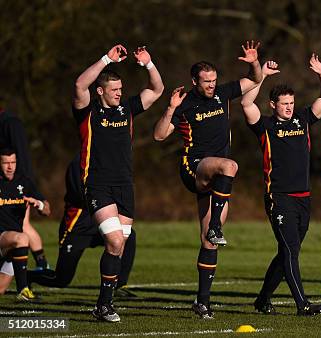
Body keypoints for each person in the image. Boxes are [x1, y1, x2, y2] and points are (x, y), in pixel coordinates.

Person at [154, 41, 262, 319]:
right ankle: (216, 226)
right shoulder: (185, 103)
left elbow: (255, 79)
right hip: (195, 169)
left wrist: (253, 61)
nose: (212, 85)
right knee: (230, 165)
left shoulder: (223, 94)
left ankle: (202, 302)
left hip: (217, 178)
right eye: (206, 82)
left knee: (208, 242)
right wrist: (170, 108)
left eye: (214, 80)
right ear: (194, 81)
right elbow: (159, 135)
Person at [73, 44, 163, 321]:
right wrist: (105, 59)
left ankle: (104, 304)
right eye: (114, 90)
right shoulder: (87, 111)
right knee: (113, 240)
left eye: (121, 89)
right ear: (100, 91)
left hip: (125, 186)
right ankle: (104, 305)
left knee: (119, 247)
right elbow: (80, 83)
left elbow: (157, 90)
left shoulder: (127, 109)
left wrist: (148, 64)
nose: (119, 93)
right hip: (98, 184)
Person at [241, 56, 321, 316]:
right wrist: (263, 77)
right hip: (279, 197)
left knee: (287, 252)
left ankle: (262, 300)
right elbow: (246, 102)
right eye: (284, 104)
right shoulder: (265, 126)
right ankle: (302, 304)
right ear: (273, 105)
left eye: (292, 103)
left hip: (304, 198)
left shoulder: (302, 119)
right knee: (290, 250)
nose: (289, 107)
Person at [27, 155, 137, 297]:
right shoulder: (78, 163)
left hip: (99, 222)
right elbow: (81, 195)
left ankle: (119, 285)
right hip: (77, 226)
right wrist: (104, 196)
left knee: (128, 235)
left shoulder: (108, 162)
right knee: (62, 279)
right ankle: (27, 276)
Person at [0, 109, 51, 270]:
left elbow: (20, 152)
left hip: (17, 182)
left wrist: (18, 182)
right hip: (9, 180)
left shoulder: (10, 122)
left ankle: (42, 264)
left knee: (23, 226)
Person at [0, 148, 50, 301]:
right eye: (6, 163)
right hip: (4, 238)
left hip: (13, 248)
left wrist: (39, 204)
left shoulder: (24, 182)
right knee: (23, 238)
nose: (10, 167)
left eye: (13, 162)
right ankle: (23, 289)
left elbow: (47, 210)